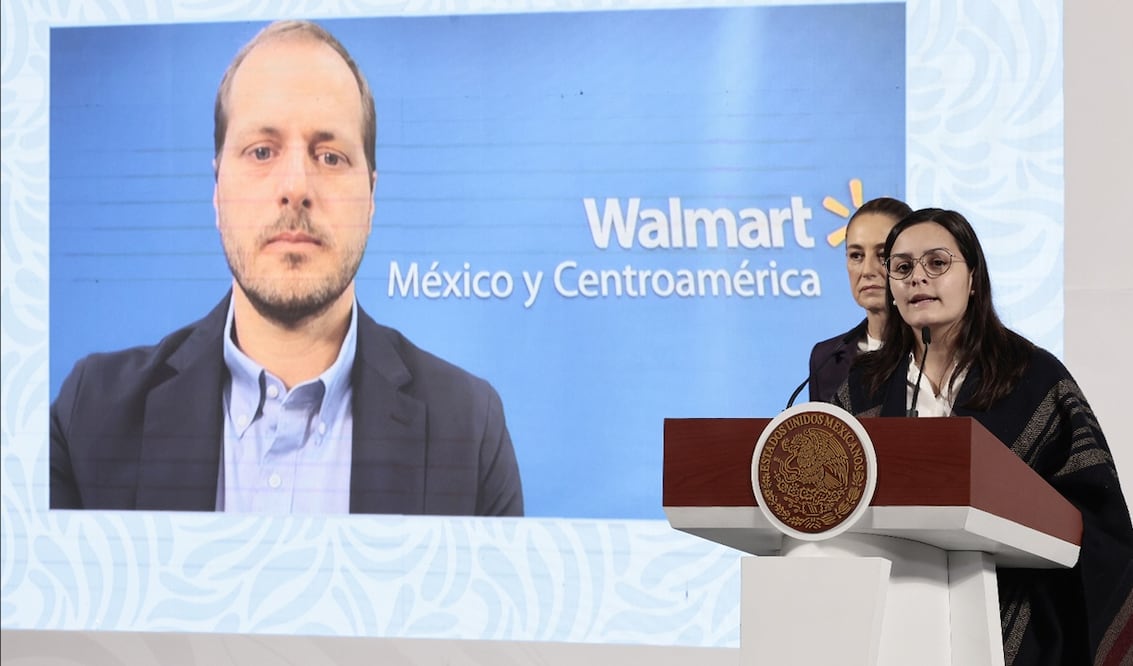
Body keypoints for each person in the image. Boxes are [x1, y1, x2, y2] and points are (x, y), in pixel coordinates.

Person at [49, 20, 523, 516]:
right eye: (262, 151)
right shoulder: (89, 419)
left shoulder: (470, 434)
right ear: (216, 191)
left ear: (371, 198)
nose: (296, 186)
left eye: (330, 157)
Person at [833, 208, 1133, 665]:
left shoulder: (1034, 376)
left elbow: (1094, 509)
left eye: (937, 263)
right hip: (892, 617)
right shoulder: (863, 385)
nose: (918, 278)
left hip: (1019, 616)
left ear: (973, 278)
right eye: (903, 267)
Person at [806, 196, 913, 402]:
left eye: (883, 255)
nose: (867, 270)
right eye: (856, 255)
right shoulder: (826, 358)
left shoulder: (937, 354)